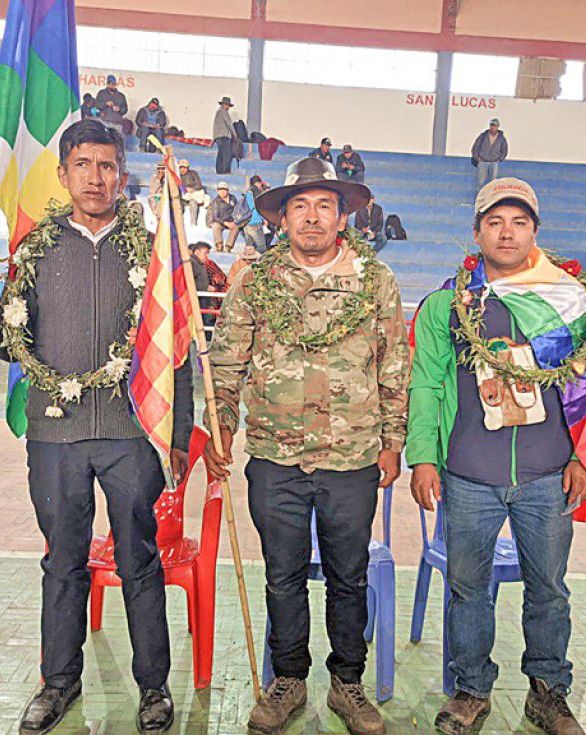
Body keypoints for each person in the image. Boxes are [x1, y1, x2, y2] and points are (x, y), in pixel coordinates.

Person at [0, 119, 190, 735]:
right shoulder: (36, 249)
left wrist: (181, 434)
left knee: (140, 561)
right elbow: (13, 344)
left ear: (122, 174)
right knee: (63, 561)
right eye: (83, 164)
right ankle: (57, 683)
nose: (96, 176)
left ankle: (154, 690)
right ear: (63, 174)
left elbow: (176, 348)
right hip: (55, 436)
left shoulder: (150, 249)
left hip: (130, 432)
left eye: (108, 165)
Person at [204, 156, 409, 735]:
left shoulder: (375, 281)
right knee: (282, 574)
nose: (312, 218)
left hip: (352, 457)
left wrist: (392, 441)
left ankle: (348, 682)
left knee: (349, 575)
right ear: (282, 217)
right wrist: (220, 423)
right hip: (275, 456)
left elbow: (394, 364)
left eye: (324, 206)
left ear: (342, 215)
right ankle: (288, 679)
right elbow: (226, 362)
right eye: (300, 206)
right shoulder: (256, 280)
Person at [408, 177, 586, 735]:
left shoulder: (566, 301)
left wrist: (582, 458)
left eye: (519, 223)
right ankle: (470, 690)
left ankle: (548, 692)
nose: (507, 232)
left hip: (548, 474)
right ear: (476, 232)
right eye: (495, 222)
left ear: (535, 233)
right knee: (468, 588)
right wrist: (424, 456)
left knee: (550, 590)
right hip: (469, 474)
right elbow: (425, 385)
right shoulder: (447, 305)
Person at [470, 118, 508, 190]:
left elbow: (504, 150)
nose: (492, 127)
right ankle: (479, 199)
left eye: (494, 126)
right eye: (491, 125)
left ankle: (490, 200)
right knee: (480, 182)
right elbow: (475, 147)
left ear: (497, 127)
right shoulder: (483, 136)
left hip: (494, 162)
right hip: (482, 162)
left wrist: (499, 159)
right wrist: (477, 158)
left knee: (493, 183)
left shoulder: (501, 138)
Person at [207, 182, 238, 252]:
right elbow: (215, 217)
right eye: (220, 190)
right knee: (215, 225)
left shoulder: (233, 198)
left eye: (224, 190)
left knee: (237, 226)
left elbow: (237, 210)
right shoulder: (215, 201)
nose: (222, 192)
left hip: (231, 220)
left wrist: (234, 221)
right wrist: (225, 223)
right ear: (218, 191)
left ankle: (228, 246)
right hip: (221, 221)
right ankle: (219, 244)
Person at [177, 160, 208, 227]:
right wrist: (185, 189)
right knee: (179, 203)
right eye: (181, 168)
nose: (183, 169)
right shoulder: (177, 176)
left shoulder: (193, 173)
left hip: (193, 195)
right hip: (182, 196)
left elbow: (199, 185)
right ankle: (179, 222)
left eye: (184, 168)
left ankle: (193, 222)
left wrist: (192, 189)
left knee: (193, 202)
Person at [241, 175, 269, 252]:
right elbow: (258, 206)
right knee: (261, 247)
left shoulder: (247, 192)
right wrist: (264, 219)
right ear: (258, 183)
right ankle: (258, 263)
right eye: (260, 184)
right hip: (255, 222)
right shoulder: (256, 191)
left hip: (246, 222)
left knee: (249, 247)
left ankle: (248, 262)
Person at [212, 97, 236, 175]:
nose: (228, 107)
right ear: (224, 105)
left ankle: (219, 170)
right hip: (224, 136)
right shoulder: (223, 112)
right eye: (227, 105)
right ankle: (225, 170)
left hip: (218, 137)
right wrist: (234, 134)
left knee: (221, 154)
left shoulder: (218, 112)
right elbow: (229, 123)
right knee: (226, 154)